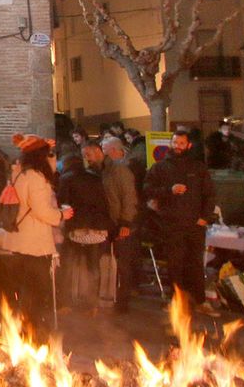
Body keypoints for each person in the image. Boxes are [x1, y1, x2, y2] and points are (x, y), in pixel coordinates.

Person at [0, 134, 67, 338]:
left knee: (22, 290)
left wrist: (50, 151)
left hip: (18, 241)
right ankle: (32, 333)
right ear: (40, 156)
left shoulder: (19, 173)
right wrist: (62, 214)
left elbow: (49, 172)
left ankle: (16, 331)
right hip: (34, 244)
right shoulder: (36, 178)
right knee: (36, 292)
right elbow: (41, 210)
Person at [144, 127, 217, 310]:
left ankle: (199, 300)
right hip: (171, 224)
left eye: (181, 143)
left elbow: (209, 194)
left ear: (188, 145)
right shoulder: (160, 167)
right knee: (174, 264)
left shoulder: (198, 167)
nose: (177, 146)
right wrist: (169, 191)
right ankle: (176, 301)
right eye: (175, 142)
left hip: (195, 224)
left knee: (195, 263)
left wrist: (204, 217)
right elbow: (147, 189)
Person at [58, 148, 113, 310]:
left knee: (67, 265)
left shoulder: (66, 179)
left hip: (76, 226)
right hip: (97, 227)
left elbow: (63, 205)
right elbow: (104, 202)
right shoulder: (95, 178)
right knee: (93, 266)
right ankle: (92, 304)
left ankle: (64, 302)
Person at [99, 136, 140, 313]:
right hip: (113, 222)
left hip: (122, 223)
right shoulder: (109, 170)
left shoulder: (121, 170)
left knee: (123, 264)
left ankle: (122, 300)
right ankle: (112, 297)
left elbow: (128, 198)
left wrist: (125, 223)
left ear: (114, 150)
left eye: (104, 148)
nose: (102, 151)